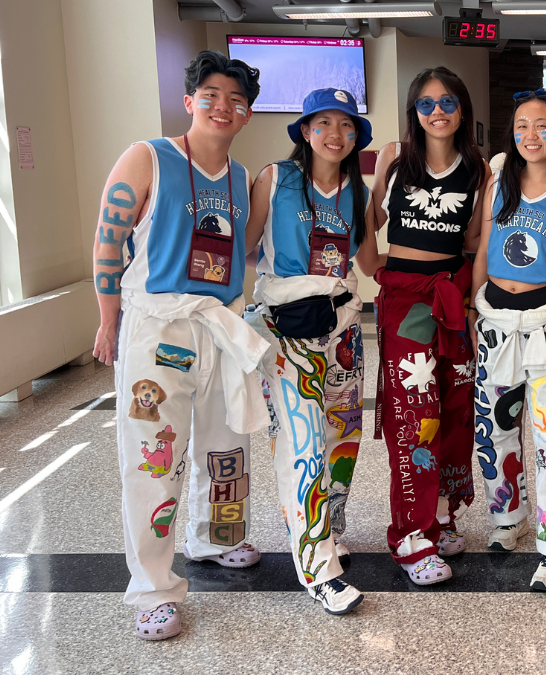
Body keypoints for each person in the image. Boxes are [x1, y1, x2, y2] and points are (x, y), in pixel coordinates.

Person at [91, 51, 269, 640]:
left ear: (247, 115)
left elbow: (238, 254)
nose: (223, 107)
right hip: (157, 327)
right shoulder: (149, 157)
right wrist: (108, 318)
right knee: (155, 458)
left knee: (227, 444)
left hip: (217, 326)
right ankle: (151, 589)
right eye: (212, 96)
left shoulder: (242, 178)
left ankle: (214, 539)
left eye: (236, 101)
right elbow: (109, 240)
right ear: (190, 101)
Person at [244, 87, 380, 614]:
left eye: (346, 127)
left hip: (343, 328)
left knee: (341, 439)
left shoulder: (357, 192)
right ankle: (318, 567)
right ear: (304, 130)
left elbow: (367, 262)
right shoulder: (276, 179)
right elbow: (246, 249)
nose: (335, 135)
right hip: (287, 333)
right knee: (300, 446)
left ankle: (332, 529)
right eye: (323, 123)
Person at [369, 67, 490, 585]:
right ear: (413, 112)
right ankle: (409, 535)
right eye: (425, 103)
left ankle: (441, 514)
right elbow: (365, 219)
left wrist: (471, 304)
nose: (436, 111)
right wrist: (370, 273)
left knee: (453, 408)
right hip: (406, 302)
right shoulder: (395, 160)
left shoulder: (478, 170)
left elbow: (476, 245)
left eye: (446, 102)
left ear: (462, 110)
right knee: (415, 414)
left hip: (453, 299)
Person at [469, 88, 546, 592]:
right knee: (495, 429)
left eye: (542, 125)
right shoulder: (496, 183)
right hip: (495, 320)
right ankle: (508, 515)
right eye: (522, 125)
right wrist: (473, 309)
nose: (531, 135)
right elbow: (480, 250)